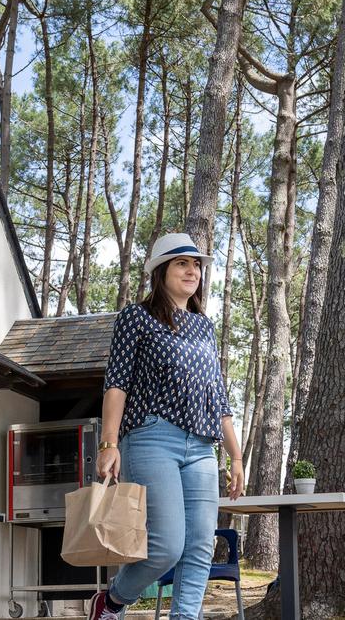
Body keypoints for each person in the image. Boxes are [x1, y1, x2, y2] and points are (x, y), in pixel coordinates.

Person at [86, 232, 244, 620]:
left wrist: (236, 457)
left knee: (200, 546)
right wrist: (109, 443)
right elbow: (117, 384)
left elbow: (218, 397)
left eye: (196, 265)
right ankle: (112, 601)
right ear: (161, 271)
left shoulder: (204, 327)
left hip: (202, 447)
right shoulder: (136, 318)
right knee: (166, 546)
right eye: (181, 263)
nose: (192, 271)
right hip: (152, 438)